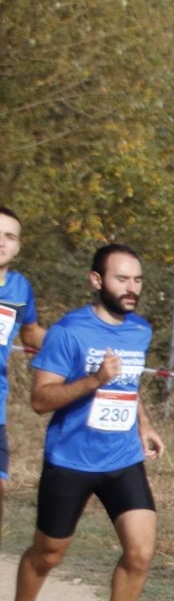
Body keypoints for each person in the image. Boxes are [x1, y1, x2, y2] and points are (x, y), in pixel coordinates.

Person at [2, 244, 163, 601]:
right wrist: (94, 380)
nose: (131, 289)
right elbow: (40, 400)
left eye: (137, 280)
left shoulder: (140, 331)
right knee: (48, 554)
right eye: (121, 279)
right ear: (97, 281)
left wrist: (144, 426)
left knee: (141, 551)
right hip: (70, 460)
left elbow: (130, 387)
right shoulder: (69, 332)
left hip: (121, 459)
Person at [0, 207, 50, 553]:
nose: (1, 242)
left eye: (10, 236)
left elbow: (32, 335)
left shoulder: (19, 289)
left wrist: (79, 347)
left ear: (18, 246)